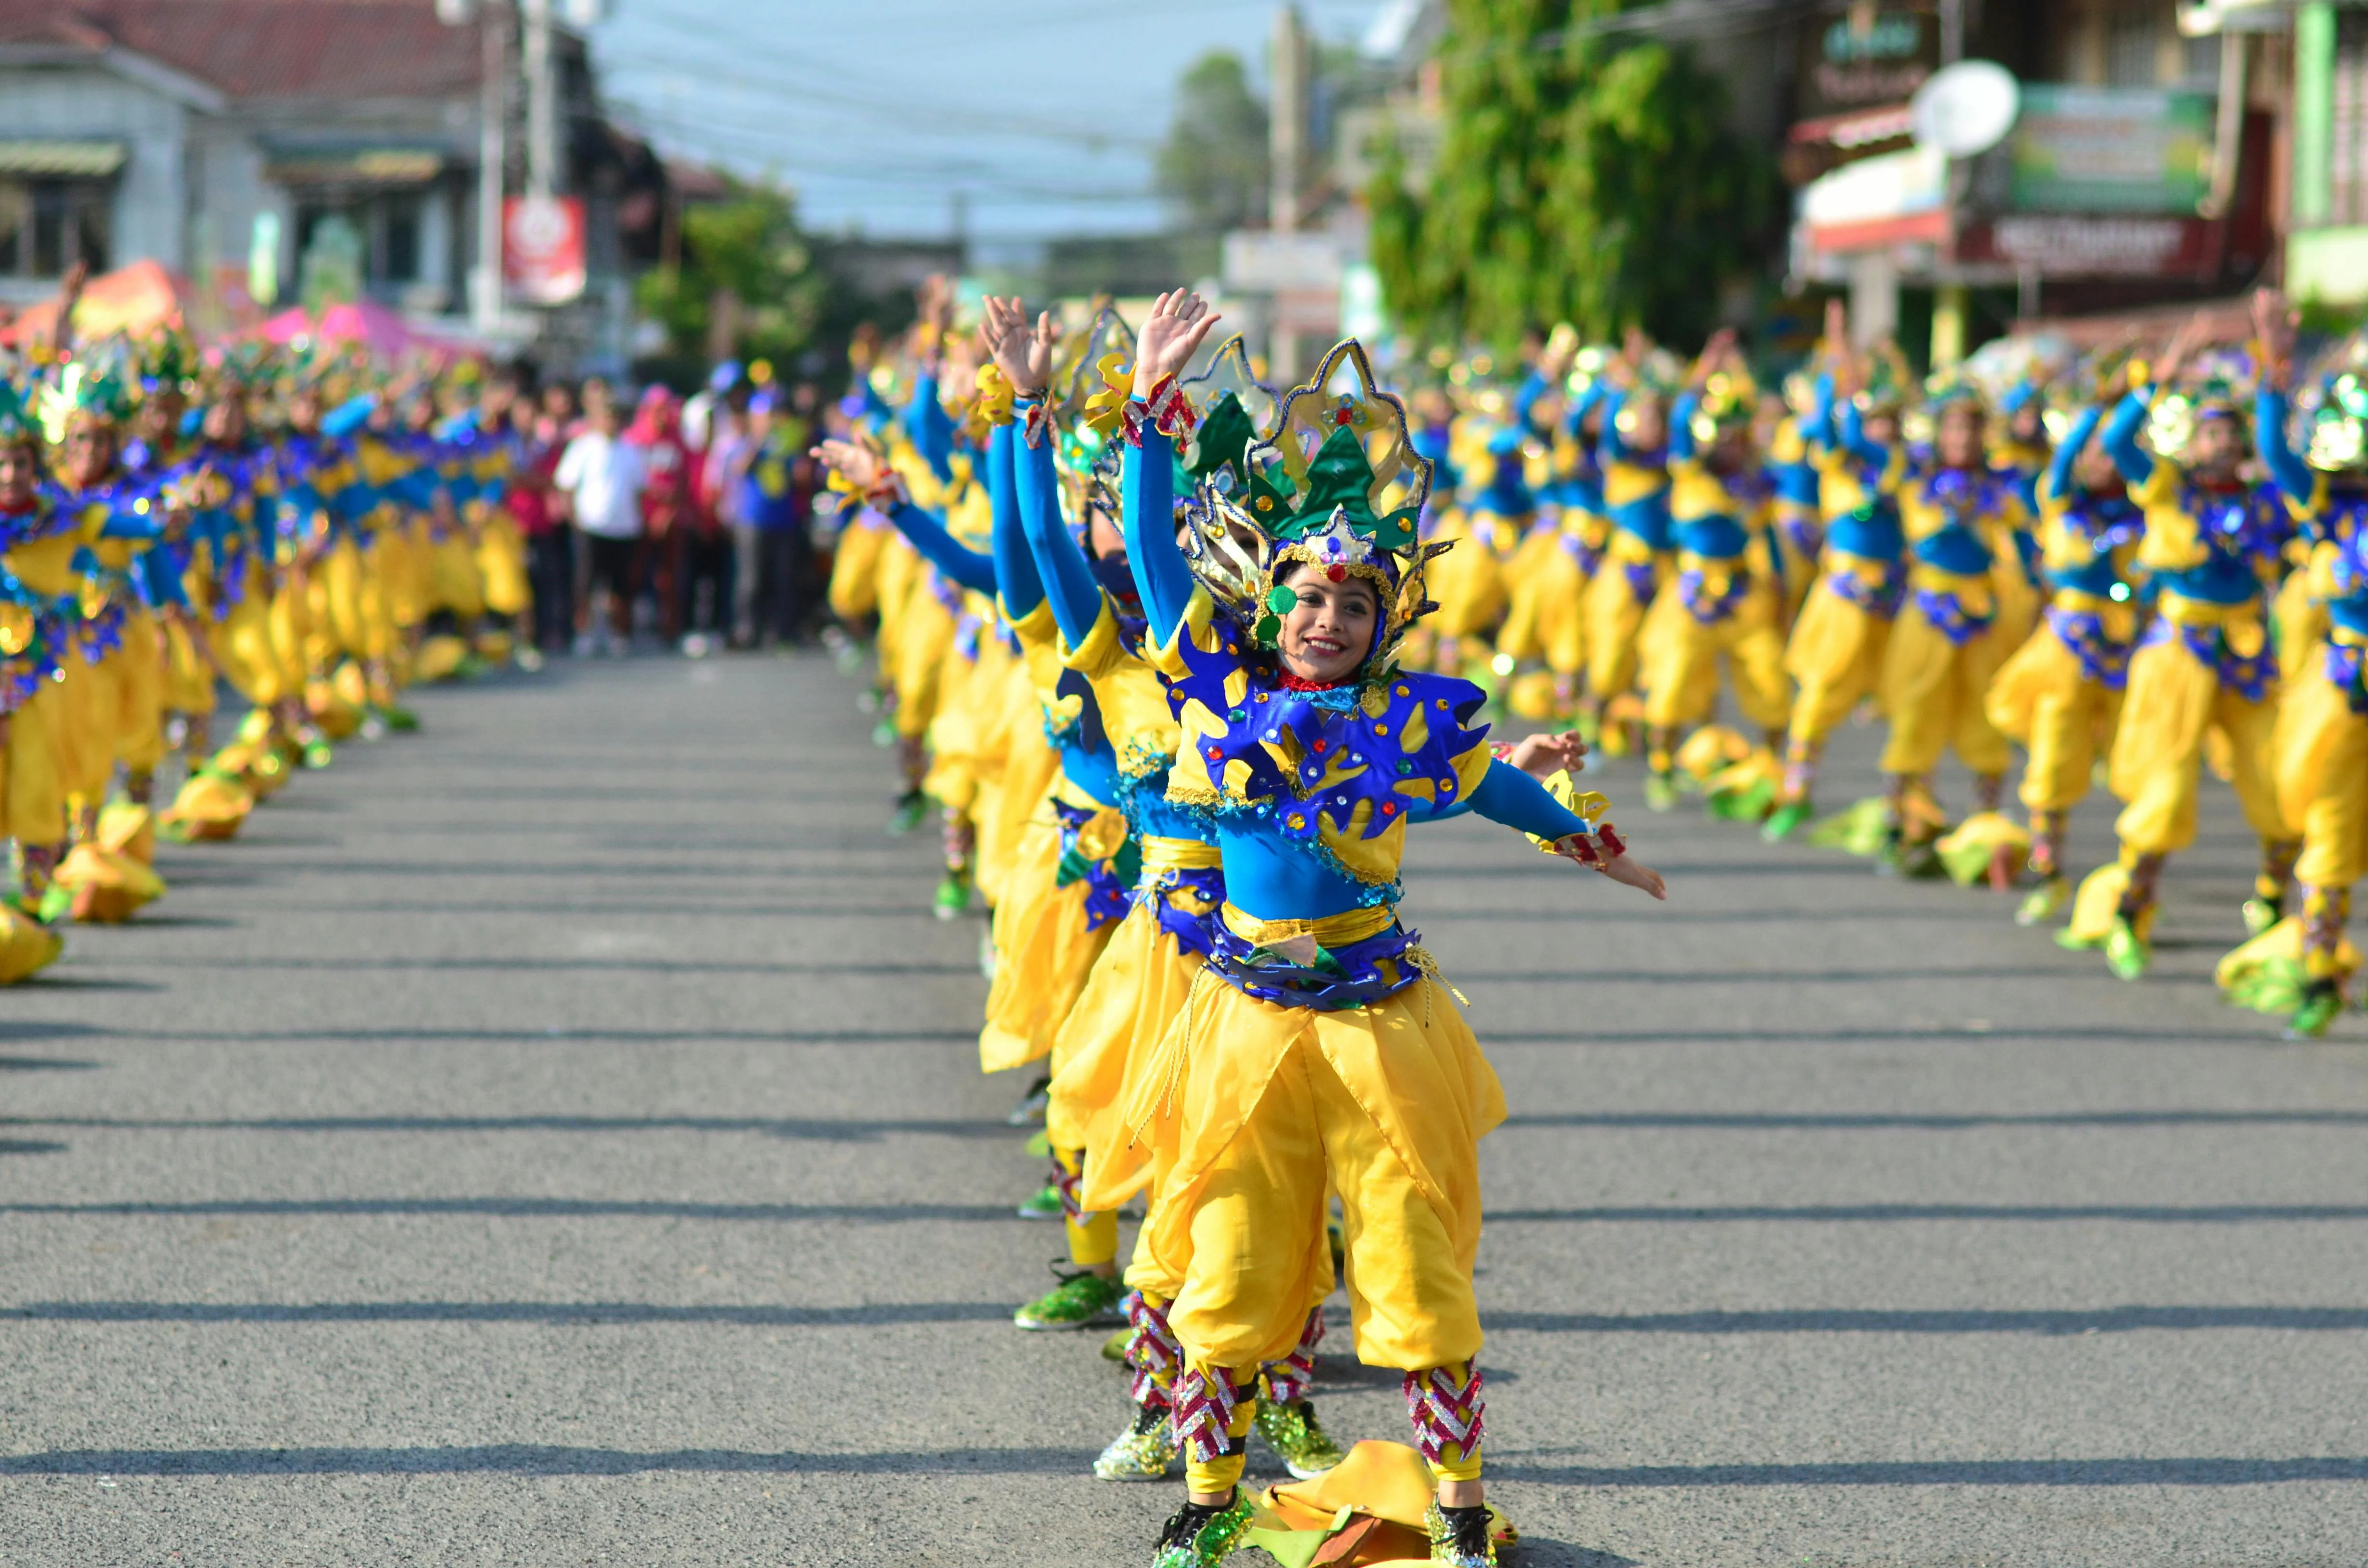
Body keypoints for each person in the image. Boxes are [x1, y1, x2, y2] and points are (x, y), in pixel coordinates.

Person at [1115, 292, 1665, 1568]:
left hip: (1381, 1024)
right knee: (1237, 1264)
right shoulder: (1214, 686)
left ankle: (1460, 1507)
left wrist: (1594, 842)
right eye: (1308, 597)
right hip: (1246, 1023)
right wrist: (1151, 404)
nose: (1327, 620)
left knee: (1416, 1267)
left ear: (1386, 618)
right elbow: (1151, 555)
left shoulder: (1417, 723)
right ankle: (1207, 1495)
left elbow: (1498, 787)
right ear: (1267, 600)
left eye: (1355, 605)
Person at [554, 386, 646, 656]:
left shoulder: (630, 450)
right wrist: (575, 521)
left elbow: (639, 490)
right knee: (586, 584)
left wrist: (638, 522)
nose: (611, 421)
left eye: (615, 416)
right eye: (606, 416)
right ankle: (584, 633)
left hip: (624, 529)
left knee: (620, 586)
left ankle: (619, 634)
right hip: (591, 528)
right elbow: (566, 487)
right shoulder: (582, 448)